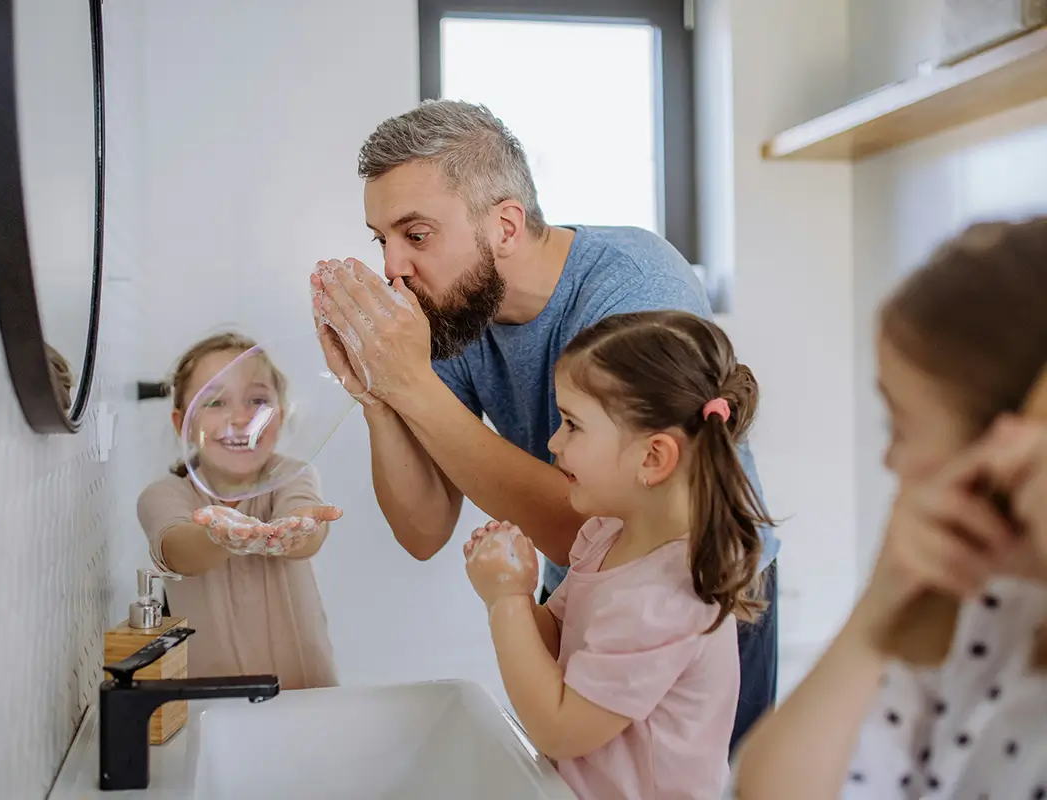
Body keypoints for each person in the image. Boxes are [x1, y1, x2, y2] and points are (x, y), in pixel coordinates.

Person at [310, 99, 780, 749]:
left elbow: (601, 531)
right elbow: (423, 529)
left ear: (505, 225)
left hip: (702, 590)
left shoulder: (633, 292)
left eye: (416, 235)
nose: (393, 267)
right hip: (581, 591)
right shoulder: (456, 315)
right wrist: (379, 399)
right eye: (380, 239)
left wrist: (412, 384)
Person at [732, 217, 1047, 799]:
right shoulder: (978, 601)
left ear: (1013, 444)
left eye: (899, 425)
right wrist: (874, 619)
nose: (891, 461)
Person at [464, 311, 773, 799]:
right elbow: (559, 639)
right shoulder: (606, 536)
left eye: (572, 425)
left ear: (653, 457)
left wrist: (505, 603)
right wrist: (518, 591)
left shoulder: (663, 599)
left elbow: (560, 730)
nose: (553, 443)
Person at [136, 332, 341, 687]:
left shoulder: (293, 476)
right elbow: (178, 551)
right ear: (181, 424)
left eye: (258, 400)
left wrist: (303, 528)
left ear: (282, 413)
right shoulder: (165, 494)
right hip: (212, 708)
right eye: (215, 402)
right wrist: (223, 535)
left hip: (308, 696)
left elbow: (306, 520)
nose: (241, 418)